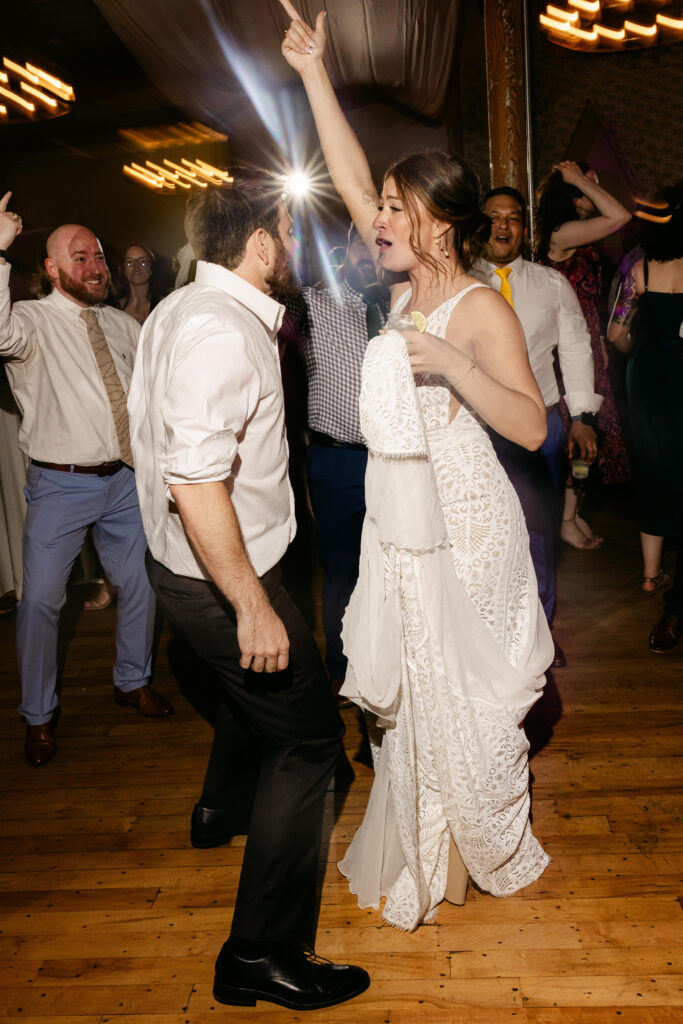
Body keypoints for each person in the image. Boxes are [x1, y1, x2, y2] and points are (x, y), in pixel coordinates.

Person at [279, 0, 553, 932]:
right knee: (417, 688)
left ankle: (481, 837)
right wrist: (314, 71)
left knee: (467, 689)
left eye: (396, 208)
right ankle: (434, 844)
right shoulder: (402, 280)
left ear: (439, 223)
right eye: (383, 206)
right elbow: (349, 176)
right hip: (402, 521)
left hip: (466, 522)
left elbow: (528, 426)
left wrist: (457, 364)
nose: (377, 218)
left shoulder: (476, 306)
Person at [127, 177, 370, 1010]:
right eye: (288, 234)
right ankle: (259, 955)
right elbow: (196, 481)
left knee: (249, 697)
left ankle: (218, 809)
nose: (296, 249)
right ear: (261, 243)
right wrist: (252, 604)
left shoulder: (177, 313)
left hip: (197, 568)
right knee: (307, 744)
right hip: (223, 576)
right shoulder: (219, 332)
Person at [0, 192, 171, 769]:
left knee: (140, 584)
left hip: (125, 479)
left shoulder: (123, 325)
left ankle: (131, 680)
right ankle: (39, 717)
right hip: (60, 484)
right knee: (42, 602)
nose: (96, 265)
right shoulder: (28, 321)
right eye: (80, 257)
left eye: (98, 255)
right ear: (50, 269)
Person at [473, 186, 602, 667]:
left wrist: (582, 416)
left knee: (539, 535)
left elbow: (575, 349)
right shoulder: (460, 282)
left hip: (540, 424)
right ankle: (489, 634)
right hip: (475, 429)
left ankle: (541, 634)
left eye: (513, 218)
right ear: (478, 224)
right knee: (483, 534)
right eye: (493, 217)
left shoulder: (551, 284)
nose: (503, 226)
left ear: (525, 229)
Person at [290, 224, 389, 703]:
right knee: (341, 571)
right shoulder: (312, 305)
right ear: (344, 250)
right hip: (339, 461)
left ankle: (395, 663)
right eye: (361, 244)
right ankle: (340, 667)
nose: (369, 253)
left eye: (379, 243)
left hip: (398, 459)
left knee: (399, 565)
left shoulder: (402, 307)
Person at [536, 161, 631, 549]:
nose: (597, 188)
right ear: (573, 195)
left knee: (589, 439)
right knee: (579, 438)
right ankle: (565, 519)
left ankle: (571, 515)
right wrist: (576, 177)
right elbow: (621, 215)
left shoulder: (573, 233)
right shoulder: (563, 232)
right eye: (590, 185)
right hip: (565, 358)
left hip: (585, 348)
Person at [607, 188, 683, 652]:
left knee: (654, 469)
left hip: (649, 380)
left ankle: (651, 576)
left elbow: (616, 332)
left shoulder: (640, 269)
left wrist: (641, 352)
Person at [117, 242, 161, 324]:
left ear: (151, 269)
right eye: (130, 262)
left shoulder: (163, 305)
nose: (136, 266)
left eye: (142, 261)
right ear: (124, 270)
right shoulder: (114, 308)